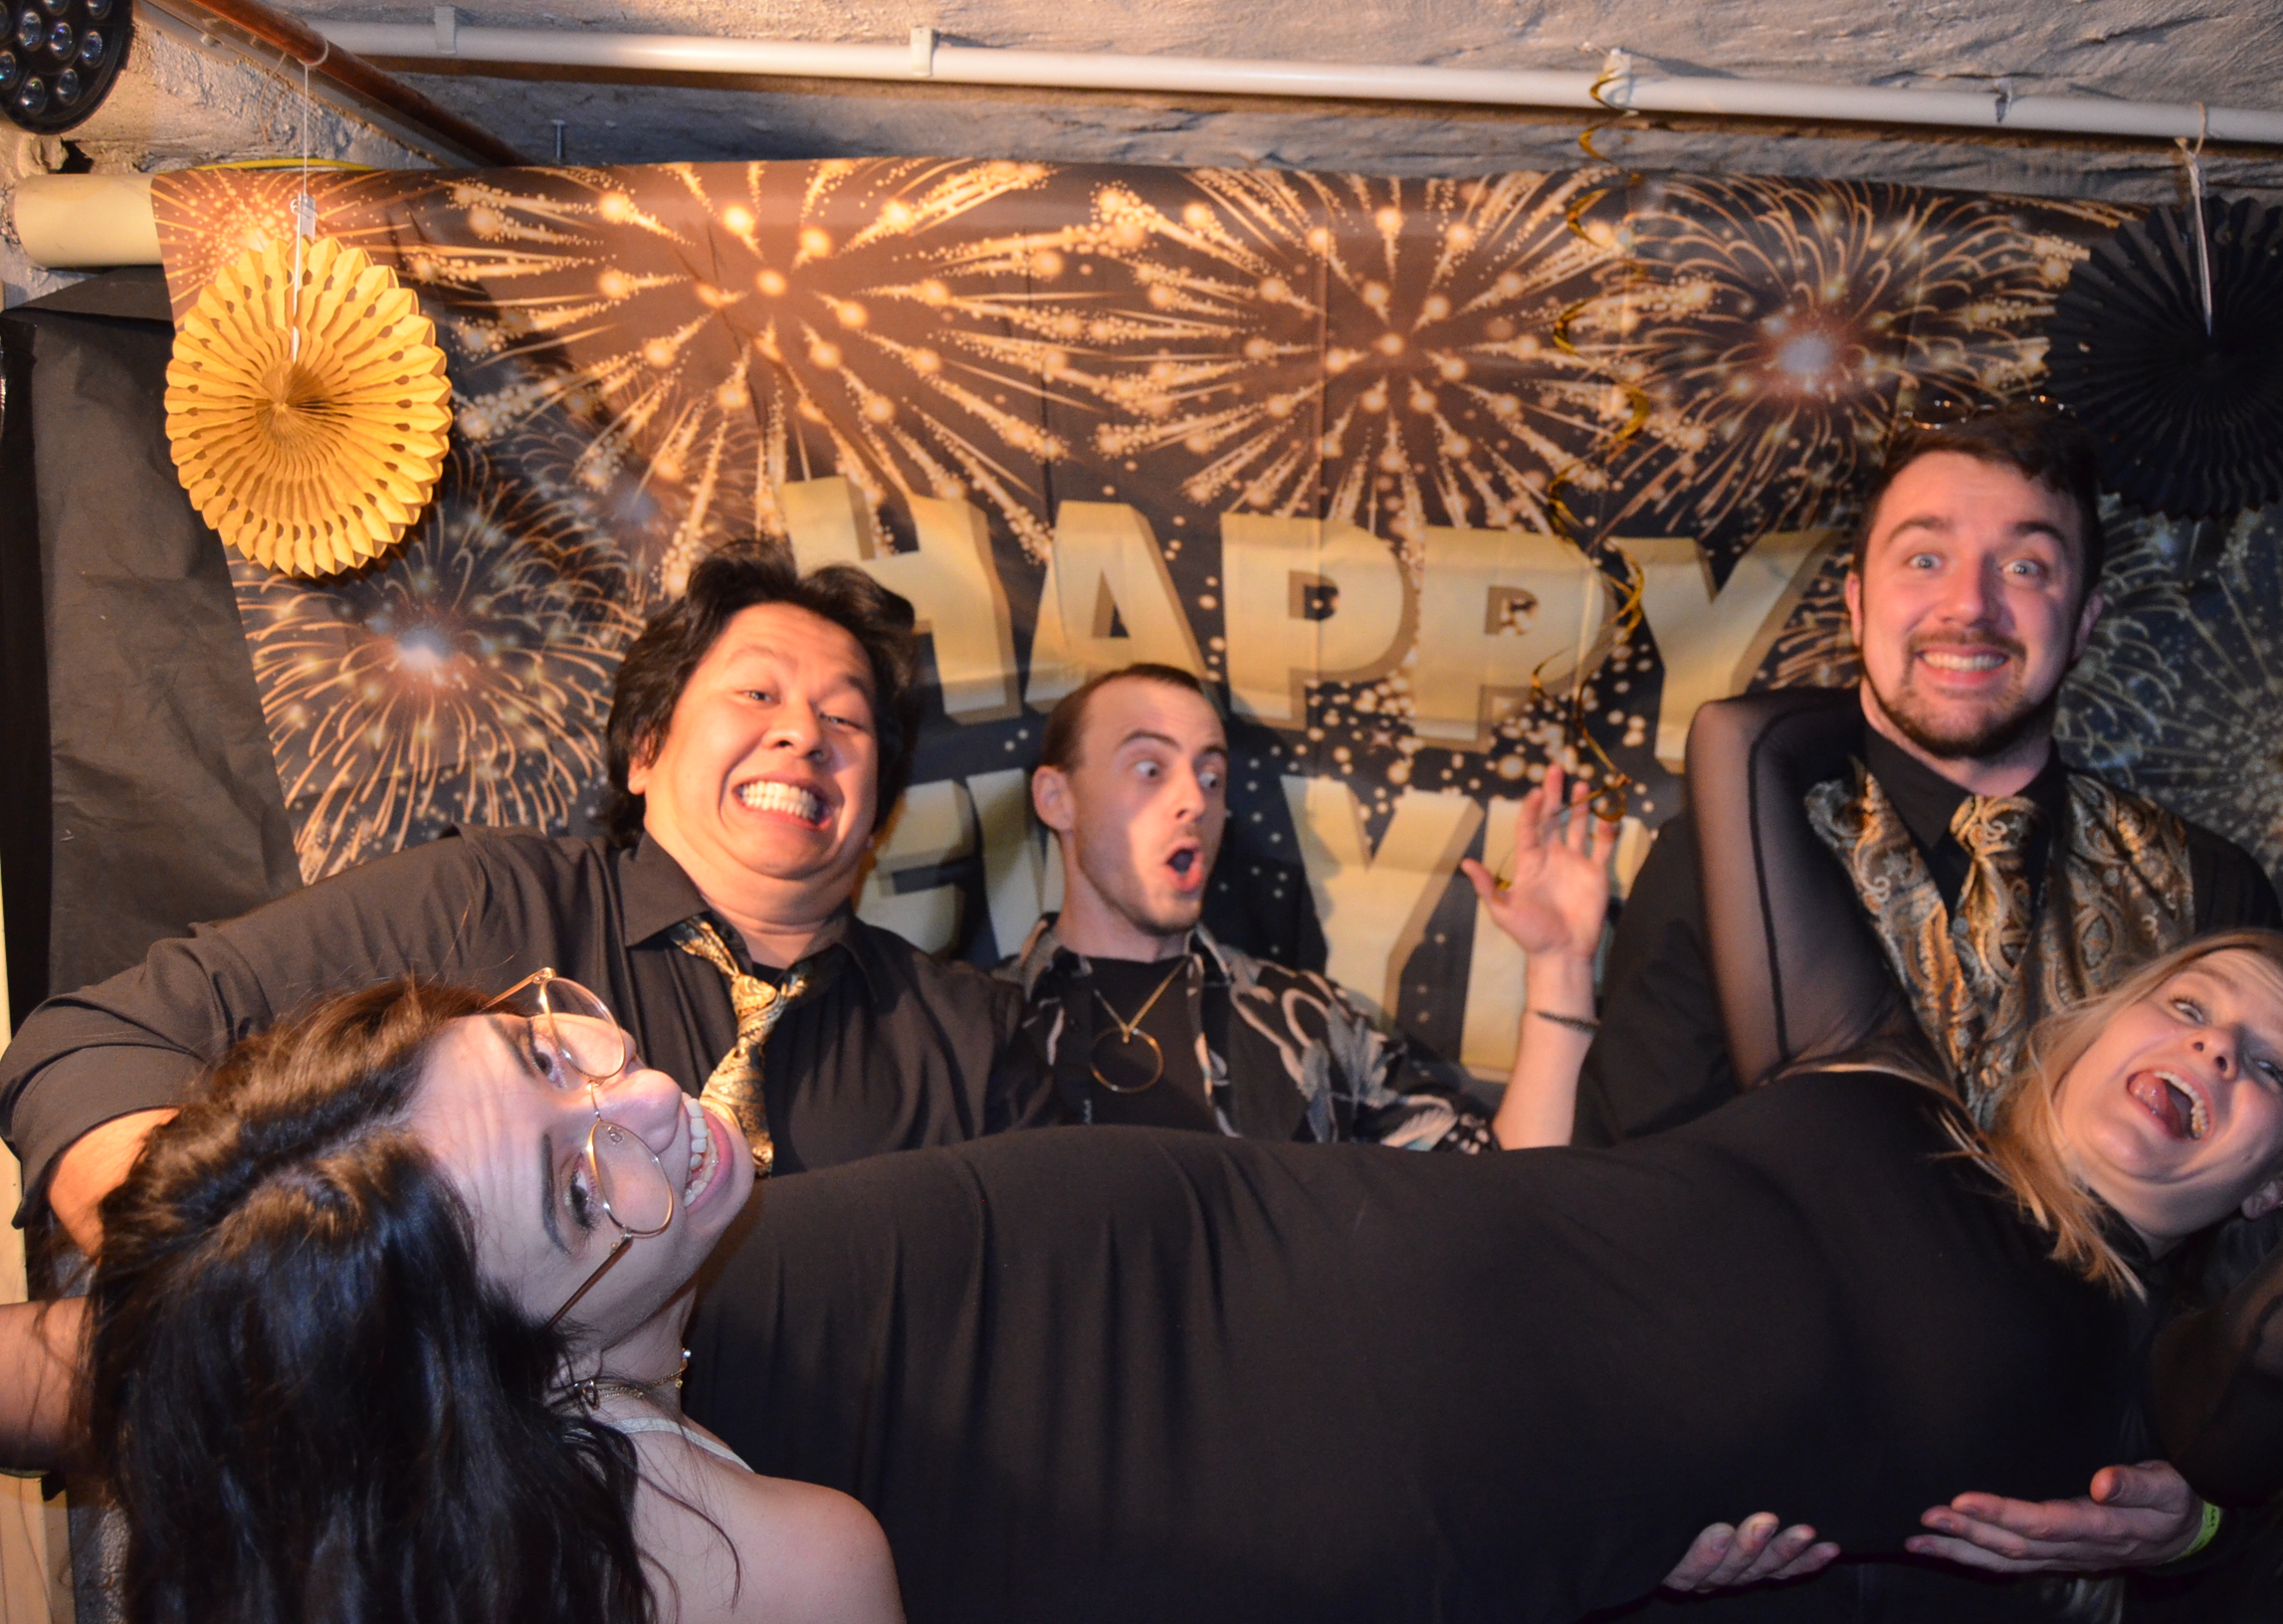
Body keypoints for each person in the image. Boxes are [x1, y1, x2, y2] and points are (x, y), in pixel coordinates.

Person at [682, 925, 2283, 1624]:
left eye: (2266, 1068)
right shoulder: (1889, 1081)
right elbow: (1746, 739)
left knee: (662, 1557)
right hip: (1185, 1250)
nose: (2205, 1052)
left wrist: (2191, 1528)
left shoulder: (2153, 1401)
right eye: (2186, 1003)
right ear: (2103, 1019)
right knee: (641, 1314)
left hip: (1341, 1527)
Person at [1579, 403, 2283, 1593]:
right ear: (1855, 603)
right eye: (1924, 558)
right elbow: (1634, 1177)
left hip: (2048, 1560)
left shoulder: (2206, 888)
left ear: (2085, 617)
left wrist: (2202, 1509)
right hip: (1771, 1528)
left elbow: (2248, 1272)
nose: (1970, 605)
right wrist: (1643, 1490)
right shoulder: (1733, 848)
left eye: (2026, 565)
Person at [0, 541, 1052, 1258]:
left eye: (847, 718)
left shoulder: (971, 1040)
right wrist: (213, 1278)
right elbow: (91, 1041)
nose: (803, 734)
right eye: (757, 692)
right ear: (645, 749)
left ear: (878, 806)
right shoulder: (485, 906)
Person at [68, 972, 903, 1622]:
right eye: (579, 1193)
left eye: (540, 1055)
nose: (651, 1095)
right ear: (494, 1367)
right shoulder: (795, 1563)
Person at [1005, 663, 1613, 1148]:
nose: (1195, 798)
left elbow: (1509, 1196)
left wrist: (1559, 963)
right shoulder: (983, 1025)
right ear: (1057, 797)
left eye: (1212, 777)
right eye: (1149, 768)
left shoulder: (1310, 1024)